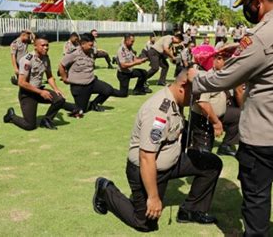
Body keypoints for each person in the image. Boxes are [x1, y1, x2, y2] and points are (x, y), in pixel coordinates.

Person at [188, 0, 273, 235]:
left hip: (262, 137)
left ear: (257, 1)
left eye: (246, 5)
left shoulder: (259, 36)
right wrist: (239, 49)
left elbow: (223, 78)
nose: (247, 11)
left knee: (256, 196)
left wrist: (194, 79)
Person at [92, 70, 222, 232]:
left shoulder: (176, 99)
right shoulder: (158, 112)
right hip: (148, 168)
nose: (196, 99)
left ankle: (191, 211)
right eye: (194, 94)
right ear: (182, 87)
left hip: (172, 161)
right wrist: (153, 198)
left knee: (211, 164)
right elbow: (146, 157)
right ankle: (106, 191)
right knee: (145, 223)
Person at [3, 35, 68, 130]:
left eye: (47, 45)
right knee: (30, 126)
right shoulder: (27, 60)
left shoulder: (46, 58)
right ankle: (11, 116)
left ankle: (46, 120)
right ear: (35, 46)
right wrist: (41, 92)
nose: (46, 47)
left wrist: (56, 89)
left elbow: (49, 76)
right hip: (27, 94)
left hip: (39, 91)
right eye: (42, 45)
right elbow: (21, 83)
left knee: (59, 99)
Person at [58, 33, 125, 113]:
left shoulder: (92, 52)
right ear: (82, 44)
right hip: (79, 87)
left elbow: (99, 54)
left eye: (92, 45)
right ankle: (59, 103)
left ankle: (94, 104)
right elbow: (61, 65)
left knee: (108, 90)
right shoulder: (74, 54)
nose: (92, 47)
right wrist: (65, 78)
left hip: (91, 82)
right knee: (81, 110)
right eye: (90, 45)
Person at [219, 84, 245, 157]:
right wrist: (243, 110)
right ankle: (226, 146)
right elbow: (238, 91)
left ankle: (229, 143)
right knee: (240, 114)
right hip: (213, 110)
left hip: (224, 103)